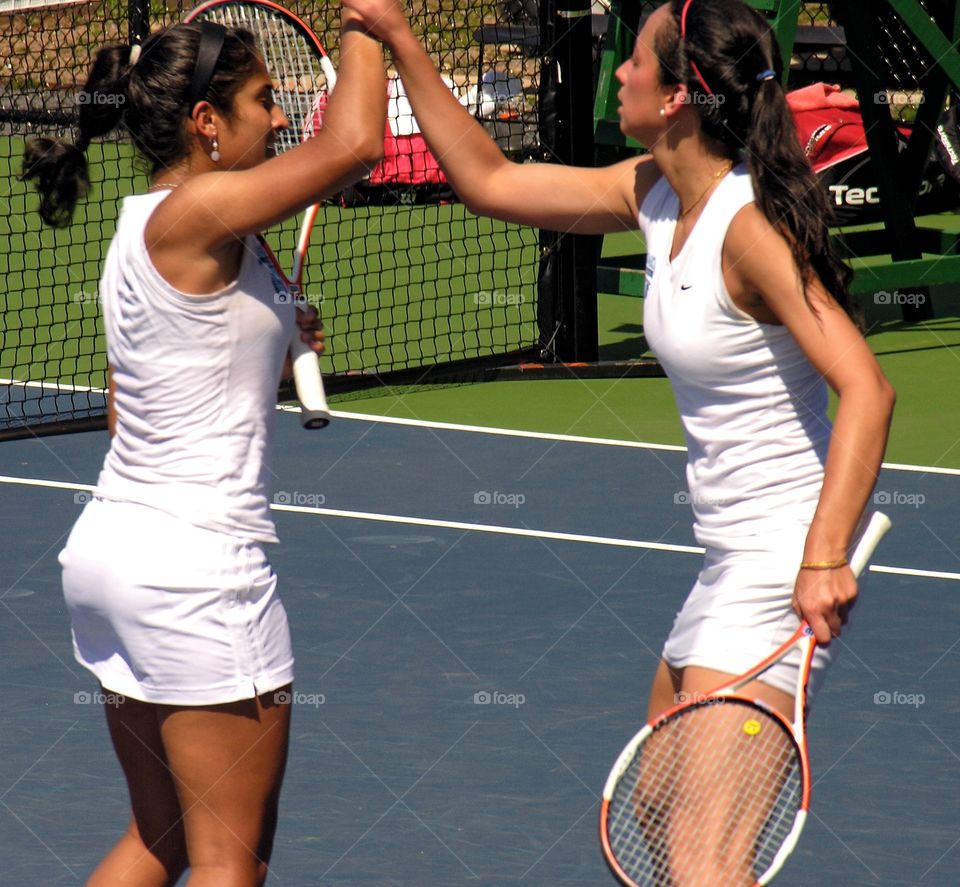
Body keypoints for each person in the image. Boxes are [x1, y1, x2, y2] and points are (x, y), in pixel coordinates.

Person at [344, 0, 895, 878]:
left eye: (636, 62)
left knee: (698, 854)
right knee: (658, 808)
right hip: (728, 562)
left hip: (779, 562)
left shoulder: (749, 228)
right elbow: (490, 182)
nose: (623, 74)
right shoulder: (654, 191)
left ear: (678, 95)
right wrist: (404, 42)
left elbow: (867, 386)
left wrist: (825, 557)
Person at [22, 8, 386, 886]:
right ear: (206, 122)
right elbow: (356, 143)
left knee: (164, 836)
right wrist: (374, 20)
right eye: (264, 100)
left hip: (113, 556)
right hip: (198, 573)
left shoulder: (147, 225)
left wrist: (267, 331)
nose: (279, 117)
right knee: (233, 859)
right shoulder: (207, 208)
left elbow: (134, 406)